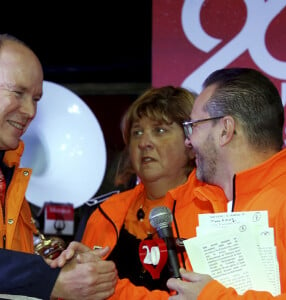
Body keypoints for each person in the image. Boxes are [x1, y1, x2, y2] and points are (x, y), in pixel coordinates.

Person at [0, 33, 117, 299]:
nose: (30, 111)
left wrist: (63, 264)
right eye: (18, 93)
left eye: (36, 99)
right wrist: (49, 278)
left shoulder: (10, 172)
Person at [81, 86, 227, 299]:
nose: (144, 143)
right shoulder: (105, 213)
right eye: (136, 132)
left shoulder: (215, 208)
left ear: (190, 142)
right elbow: (80, 290)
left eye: (159, 130)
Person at [167, 68, 286, 299]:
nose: (188, 141)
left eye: (193, 126)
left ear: (225, 130)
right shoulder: (215, 204)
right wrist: (109, 289)